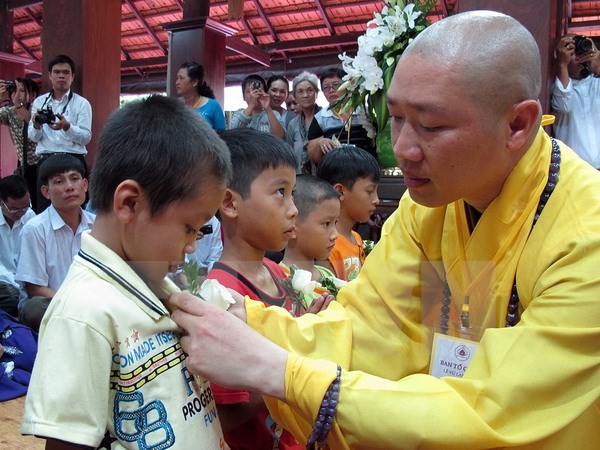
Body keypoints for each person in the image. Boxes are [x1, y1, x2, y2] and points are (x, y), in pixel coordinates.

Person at [168, 11, 600, 448]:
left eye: (431, 126)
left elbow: (496, 411)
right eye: (395, 118)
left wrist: (277, 371)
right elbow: (379, 330)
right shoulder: (430, 207)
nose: (403, 148)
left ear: (517, 125)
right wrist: (253, 325)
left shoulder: (585, 234)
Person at [20, 95, 231, 449]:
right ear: (129, 204)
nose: (192, 245)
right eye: (189, 227)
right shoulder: (83, 314)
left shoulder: (152, 282)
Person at [206, 127, 302, 449]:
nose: (293, 209)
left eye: (293, 193)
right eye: (280, 192)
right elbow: (224, 415)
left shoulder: (279, 273)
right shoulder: (221, 295)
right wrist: (299, 359)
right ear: (230, 203)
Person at [15, 154, 94, 331]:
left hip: (92, 302)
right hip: (55, 303)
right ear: (46, 192)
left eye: (74, 179)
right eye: (59, 182)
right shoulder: (34, 229)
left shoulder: (97, 226)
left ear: (85, 185)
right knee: (35, 308)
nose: (69, 187)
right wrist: (75, 304)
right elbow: (35, 289)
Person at [28, 54, 92, 213]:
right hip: (46, 160)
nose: (61, 76)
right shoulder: (39, 102)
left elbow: (86, 137)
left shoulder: (81, 103)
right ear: (50, 75)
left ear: (72, 76)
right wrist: (36, 125)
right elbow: (32, 137)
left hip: (73, 159)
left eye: (65, 72)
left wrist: (67, 127)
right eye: (57, 72)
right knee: (44, 209)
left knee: (76, 208)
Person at [316, 145, 380, 281]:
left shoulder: (356, 237)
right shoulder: (326, 244)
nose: (376, 200)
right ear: (340, 191)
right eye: (370, 191)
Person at [279, 174, 344, 304]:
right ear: (293, 225)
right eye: (326, 223)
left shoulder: (326, 274)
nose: (335, 234)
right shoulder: (280, 280)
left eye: (335, 222)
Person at [306, 68, 376, 167]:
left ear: (348, 86)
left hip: (366, 168)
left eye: (336, 85)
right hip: (336, 171)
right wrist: (319, 142)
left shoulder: (365, 111)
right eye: (326, 87)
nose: (331, 90)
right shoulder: (320, 118)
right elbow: (313, 156)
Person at [551, 34, 600, 169]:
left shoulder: (596, 83)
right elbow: (563, 106)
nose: (579, 56)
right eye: (572, 51)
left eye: (582, 50)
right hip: (576, 173)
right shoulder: (559, 86)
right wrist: (562, 64)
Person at [0, 78, 41, 208]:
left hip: (40, 165)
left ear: (33, 94)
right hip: (23, 165)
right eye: (15, 90)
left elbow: (31, 122)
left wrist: (19, 104)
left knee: (39, 203)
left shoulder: (39, 108)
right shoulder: (10, 112)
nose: (17, 94)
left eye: (22, 90)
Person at [0, 175, 35, 317]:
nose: (20, 213)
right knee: (8, 300)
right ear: (1, 202)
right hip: (4, 281)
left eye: (25, 207)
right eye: (14, 209)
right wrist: (15, 284)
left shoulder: (30, 217)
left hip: (25, 281)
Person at [285, 72, 321, 173]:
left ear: (316, 93)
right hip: (301, 180)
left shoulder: (326, 117)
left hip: (326, 179)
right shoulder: (293, 124)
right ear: (295, 96)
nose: (305, 95)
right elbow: (290, 155)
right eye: (300, 91)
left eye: (310, 90)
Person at [176, 61, 226, 131]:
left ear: (194, 82)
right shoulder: (174, 106)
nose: (177, 82)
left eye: (181, 78)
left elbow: (223, 135)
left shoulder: (213, 106)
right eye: (177, 78)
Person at [231, 74, 286, 139]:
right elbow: (233, 134)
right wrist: (252, 105)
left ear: (265, 93)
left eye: (258, 90)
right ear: (243, 97)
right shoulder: (238, 114)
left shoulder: (273, 114)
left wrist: (268, 108)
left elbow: (280, 136)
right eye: (249, 91)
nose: (253, 94)